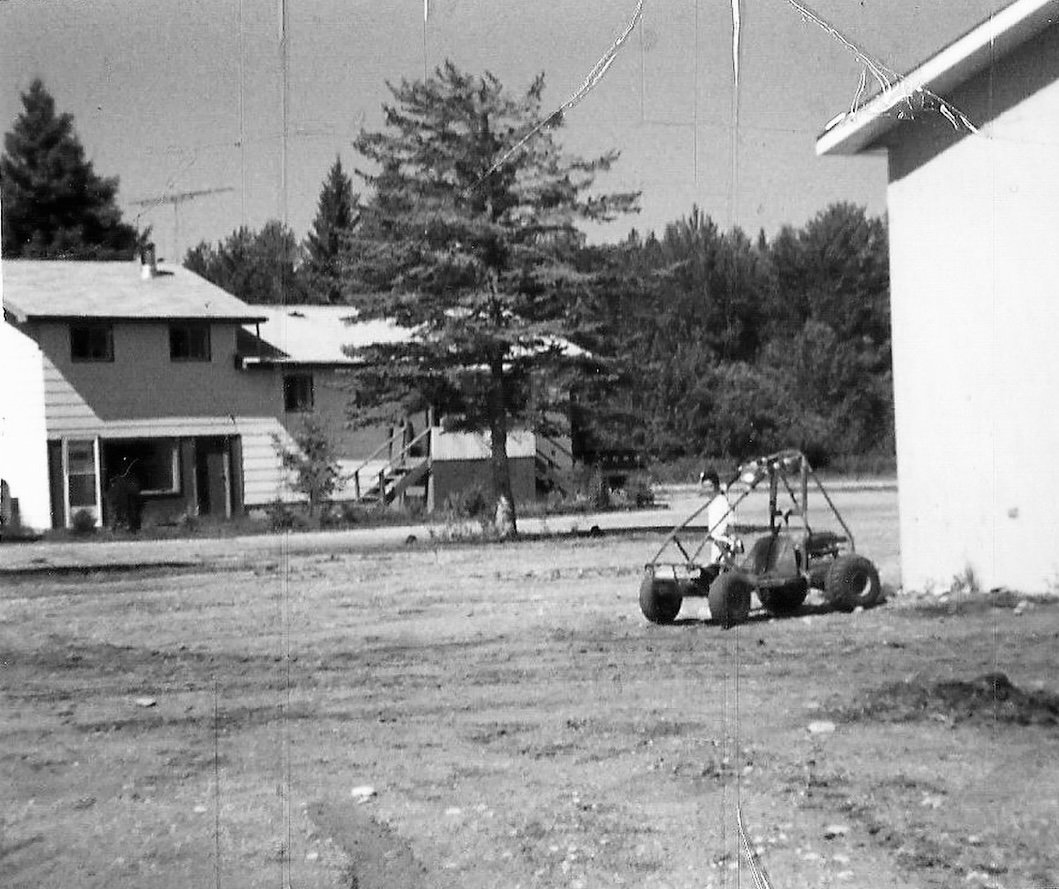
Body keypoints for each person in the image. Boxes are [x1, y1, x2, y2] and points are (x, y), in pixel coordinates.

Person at [700, 468, 739, 564]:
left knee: (722, 570)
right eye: (704, 487)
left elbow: (730, 524)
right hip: (716, 543)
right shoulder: (713, 502)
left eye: (709, 487)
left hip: (723, 544)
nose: (707, 490)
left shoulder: (722, 502)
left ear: (715, 486)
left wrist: (730, 542)